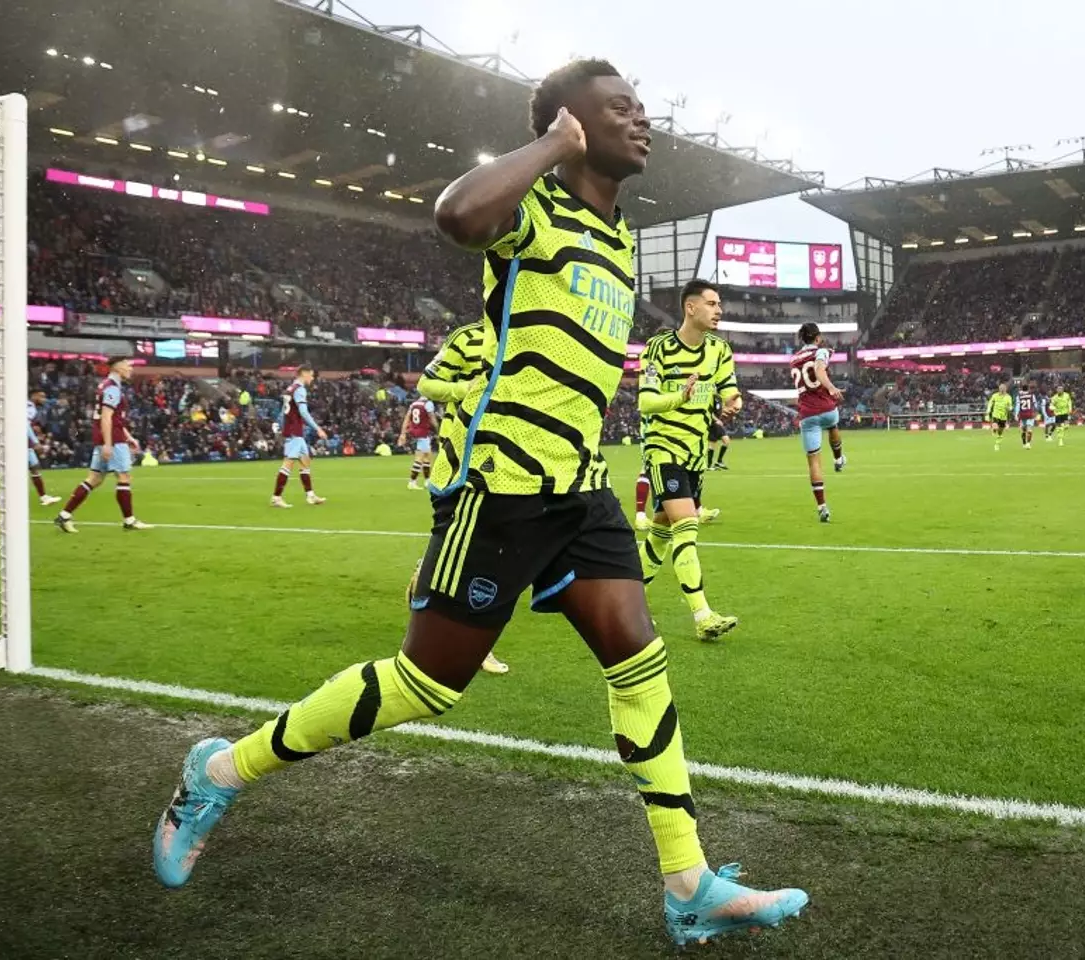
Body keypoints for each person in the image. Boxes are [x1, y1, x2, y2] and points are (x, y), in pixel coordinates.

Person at [151, 59, 807, 948]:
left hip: (581, 490)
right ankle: (220, 770)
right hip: (500, 493)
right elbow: (457, 216)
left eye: (642, 108)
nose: (642, 120)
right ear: (572, 125)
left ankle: (688, 882)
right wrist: (545, 146)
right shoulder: (534, 208)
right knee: (427, 684)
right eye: (620, 109)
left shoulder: (619, 241)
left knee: (639, 663)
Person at [636, 279, 741, 642]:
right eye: (712, 303)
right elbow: (645, 403)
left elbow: (729, 387)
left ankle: (628, 603)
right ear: (690, 308)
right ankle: (702, 614)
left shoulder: (719, 350)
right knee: (687, 525)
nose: (719, 310)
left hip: (696, 455)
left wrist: (732, 401)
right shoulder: (657, 349)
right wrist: (679, 397)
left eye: (720, 304)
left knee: (662, 532)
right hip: (663, 448)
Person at [417, 321, 508, 674]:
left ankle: (424, 582)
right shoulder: (466, 337)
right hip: (464, 455)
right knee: (482, 546)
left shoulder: (528, 330)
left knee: (487, 545)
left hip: (509, 455)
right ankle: (473, 644)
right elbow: (427, 382)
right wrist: (466, 389)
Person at [54, 357, 151, 533]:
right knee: (124, 477)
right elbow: (106, 417)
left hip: (108, 436)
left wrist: (128, 436)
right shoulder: (112, 388)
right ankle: (129, 520)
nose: (131, 369)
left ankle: (64, 516)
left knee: (95, 478)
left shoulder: (105, 385)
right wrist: (108, 444)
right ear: (118, 367)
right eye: (128, 366)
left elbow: (113, 417)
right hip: (112, 439)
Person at [789, 323, 845, 523]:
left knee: (814, 461)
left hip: (808, 414)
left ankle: (822, 507)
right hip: (827, 408)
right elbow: (820, 370)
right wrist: (830, 387)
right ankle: (838, 459)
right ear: (818, 337)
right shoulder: (821, 351)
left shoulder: (793, 359)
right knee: (832, 425)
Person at [270, 369, 327, 508]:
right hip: (294, 430)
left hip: (293, 429)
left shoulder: (290, 388)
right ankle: (276, 497)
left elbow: (285, 409)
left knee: (305, 462)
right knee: (288, 463)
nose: (312, 378)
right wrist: (317, 428)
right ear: (304, 374)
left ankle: (310, 495)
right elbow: (303, 412)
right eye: (311, 375)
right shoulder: (300, 389)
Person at [396, 397, 437, 490]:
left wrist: (403, 433)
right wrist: (438, 429)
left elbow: (407, 419)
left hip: (415, 431)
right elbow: (432, 419)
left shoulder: (414, 404)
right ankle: (412, 482)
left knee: (427, 457)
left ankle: (427, 481)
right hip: (423, 432)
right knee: (420, 458)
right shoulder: (428, 404)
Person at [986, 381, 1013, 452]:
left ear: (1005, 390)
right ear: (999, 389)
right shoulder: (995, 395)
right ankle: (994, 429)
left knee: (1000, 431)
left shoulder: (1008, 397)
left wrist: (1009, 408)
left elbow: (1010, 406)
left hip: (1003, 416)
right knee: (995, 425)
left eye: (1003, 389)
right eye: (1001, 389)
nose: (1002, 390)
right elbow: (990, 402)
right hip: (996, 414)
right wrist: (988, 409)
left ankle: (997, 444)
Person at [1016, 381, 1039, 449]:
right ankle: (1028, 444)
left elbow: (1017, 406)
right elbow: (1035, 405)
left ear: (1021, 388)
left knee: (1023, 430)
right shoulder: (1032, 395)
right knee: (1029, 429)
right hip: (1030, 414)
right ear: (1028, 388)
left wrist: (1016, 414)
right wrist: (1036, 412)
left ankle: (1024, 443)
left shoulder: (1019, 396)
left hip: (1022, 414)